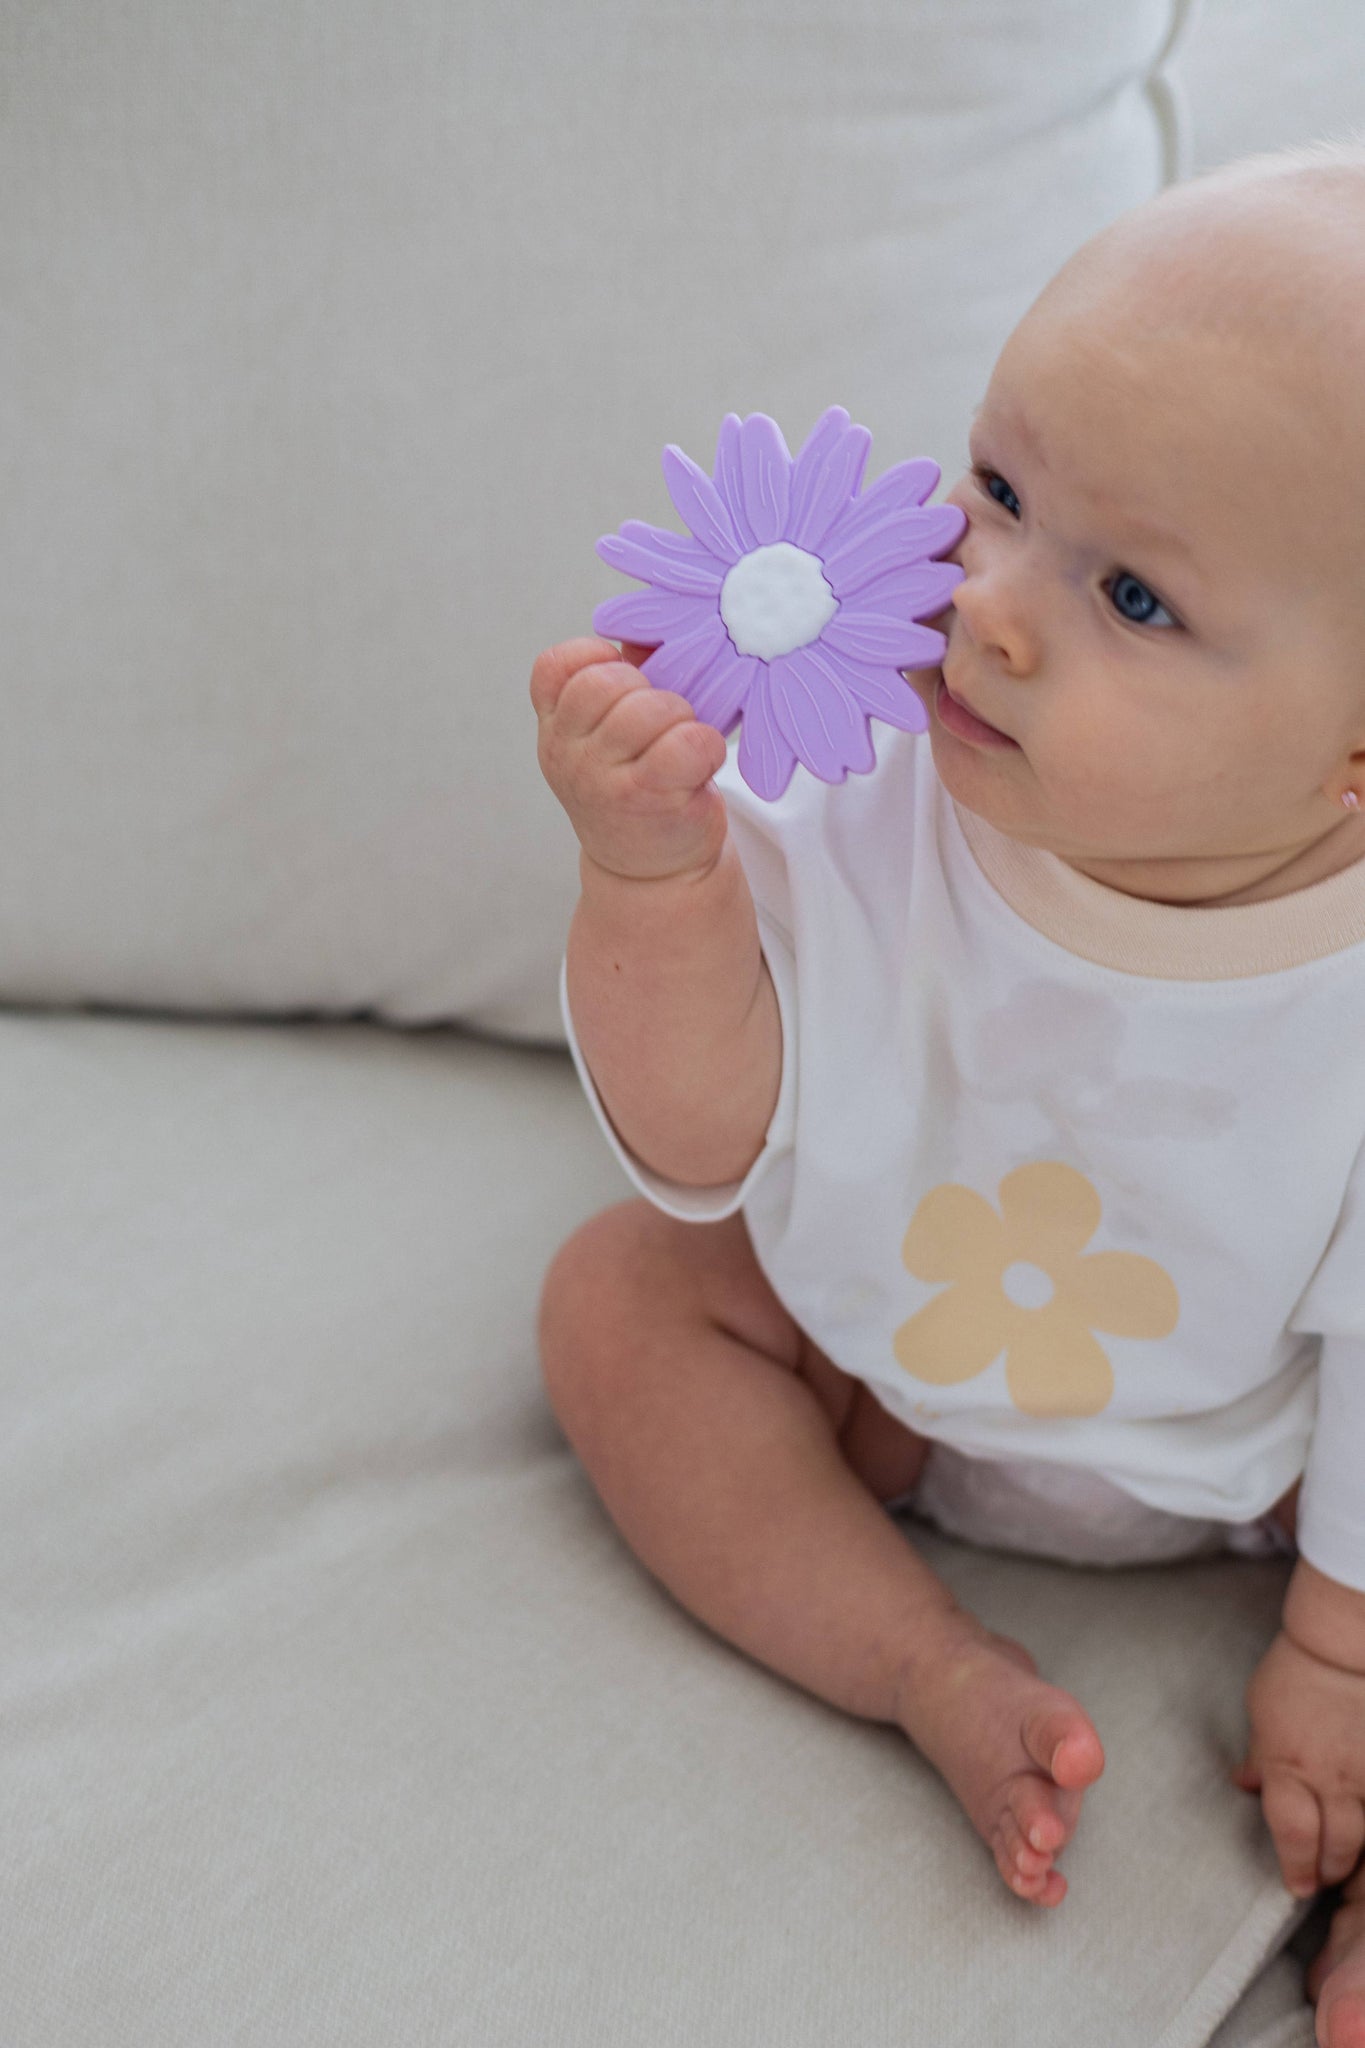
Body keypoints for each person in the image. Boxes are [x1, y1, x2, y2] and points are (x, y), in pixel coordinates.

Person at [530, 138, 1365, 2046]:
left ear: (1355, 757)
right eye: (993, 488)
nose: (984, 602)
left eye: (1132, 599)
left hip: (1283, 1458)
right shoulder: (862, 771)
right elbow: (694, 1147)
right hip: (881, 1376)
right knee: (619, 1303)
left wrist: (1335, 1640)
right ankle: (918, 1665)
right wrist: (651, 878)